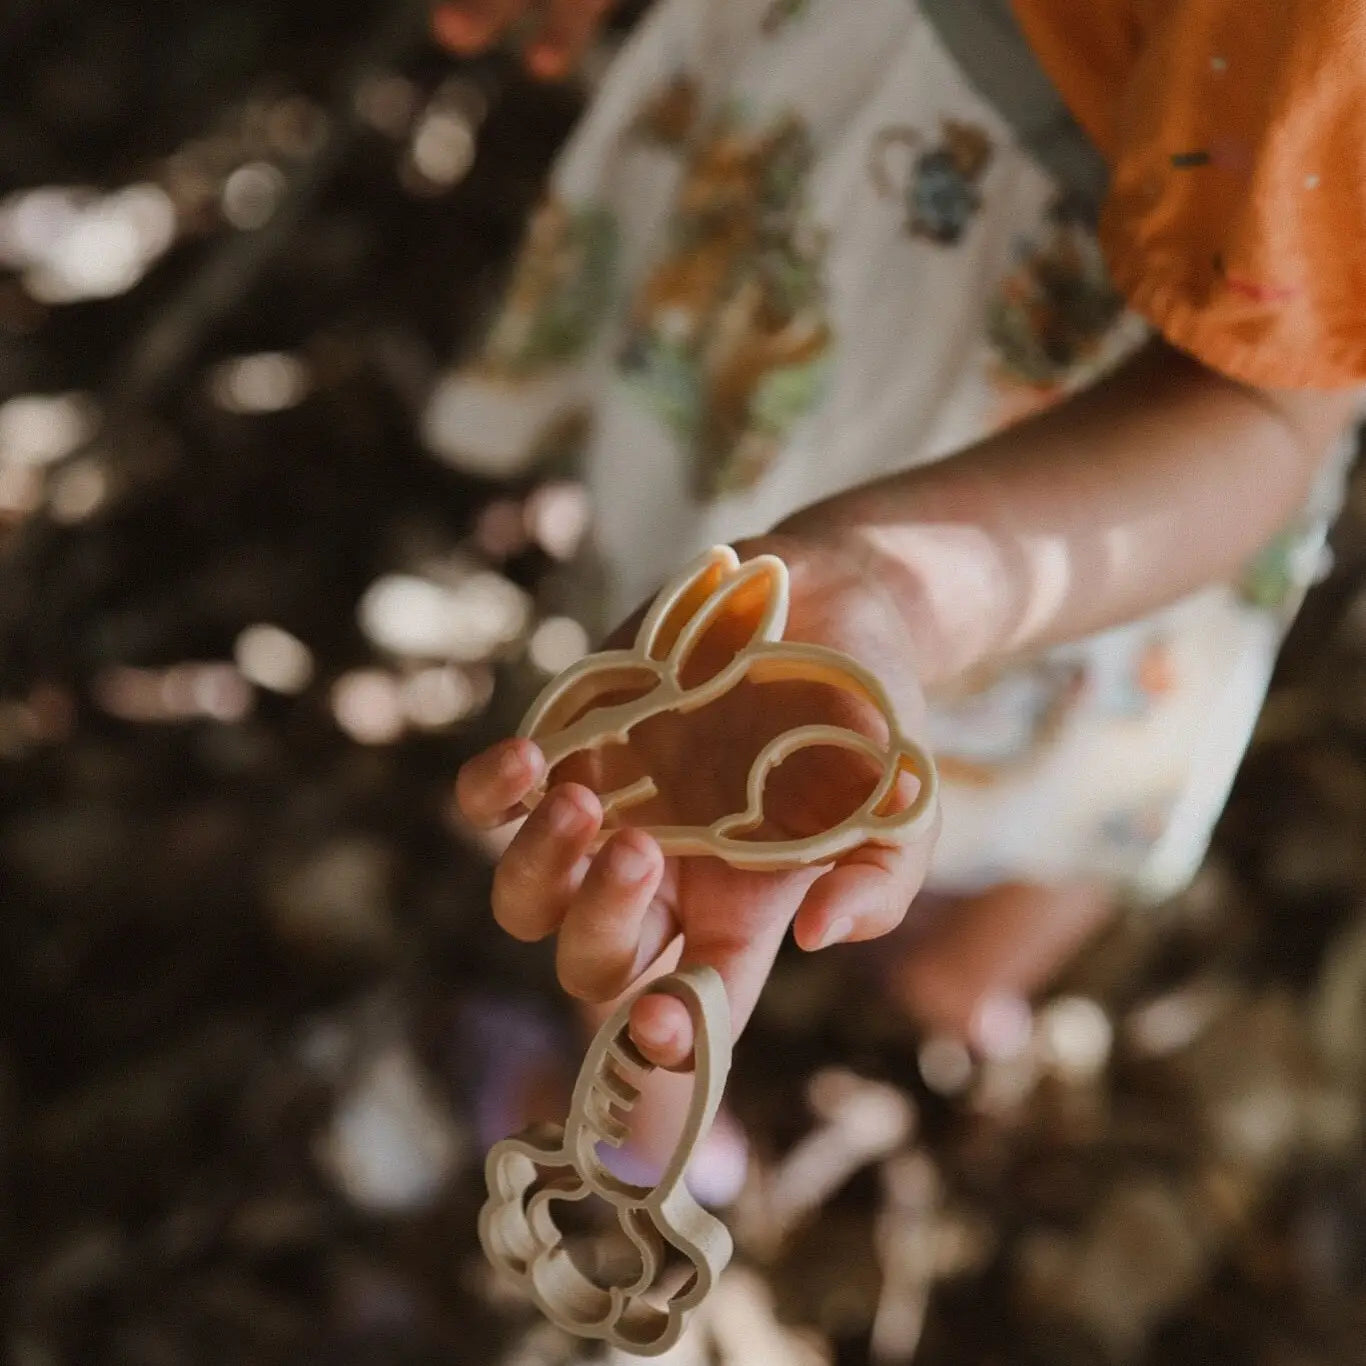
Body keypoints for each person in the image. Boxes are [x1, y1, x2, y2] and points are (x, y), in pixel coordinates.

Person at [441, 0, 1365, 1192]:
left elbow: (1267, 398)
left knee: (711, 770)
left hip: (1093, 447)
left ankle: (673, 1109)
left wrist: (890, 579)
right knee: (715, 749)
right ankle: (938, 992)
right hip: (856, 110)